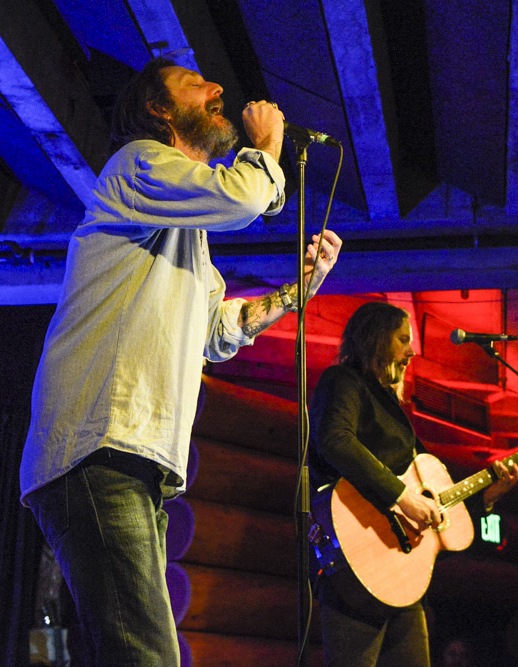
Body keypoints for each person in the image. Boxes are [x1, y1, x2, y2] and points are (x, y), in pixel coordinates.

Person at [18, 56, 342, 665]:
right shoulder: (137, 163)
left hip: (133, 462)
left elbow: (220, 331)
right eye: (197, 84)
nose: (218, 87)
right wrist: (268, 146)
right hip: (98, 449)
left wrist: (302, 290)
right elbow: (245, 196)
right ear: (158, 110)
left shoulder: (185, 231)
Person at [309, 302, 518, 667]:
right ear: (375, 340)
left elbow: (436, 500)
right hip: (358, 568)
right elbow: (335, 441)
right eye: (403, 339)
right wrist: (401, 498)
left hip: (405, 581)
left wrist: (489, 493)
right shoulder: (343, 381)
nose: (411, 351)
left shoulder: (391, 407)